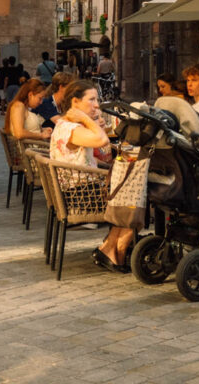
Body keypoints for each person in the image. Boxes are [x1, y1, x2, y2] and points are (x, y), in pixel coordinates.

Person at [50, 79, 134, 273]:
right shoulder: (71, 129)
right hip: (81, 195)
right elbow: (101, 140)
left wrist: (92, 122)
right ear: (75, 103)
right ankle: (114, 250)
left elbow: (102, 153)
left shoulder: (66, 125)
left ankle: (111, 248)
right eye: (92, 100)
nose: (97, 105)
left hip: (78, 190)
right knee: (137, 198)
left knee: (131, 191)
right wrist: (89, 120)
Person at [5, 78, 53, 143]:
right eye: (40, 98)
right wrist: (41, 135)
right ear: (30, 95)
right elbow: (19, 133)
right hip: (31, 151)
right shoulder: (18, 106)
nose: (41, 102)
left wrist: (43, 130)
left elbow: (28, 128)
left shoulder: (23, 107)